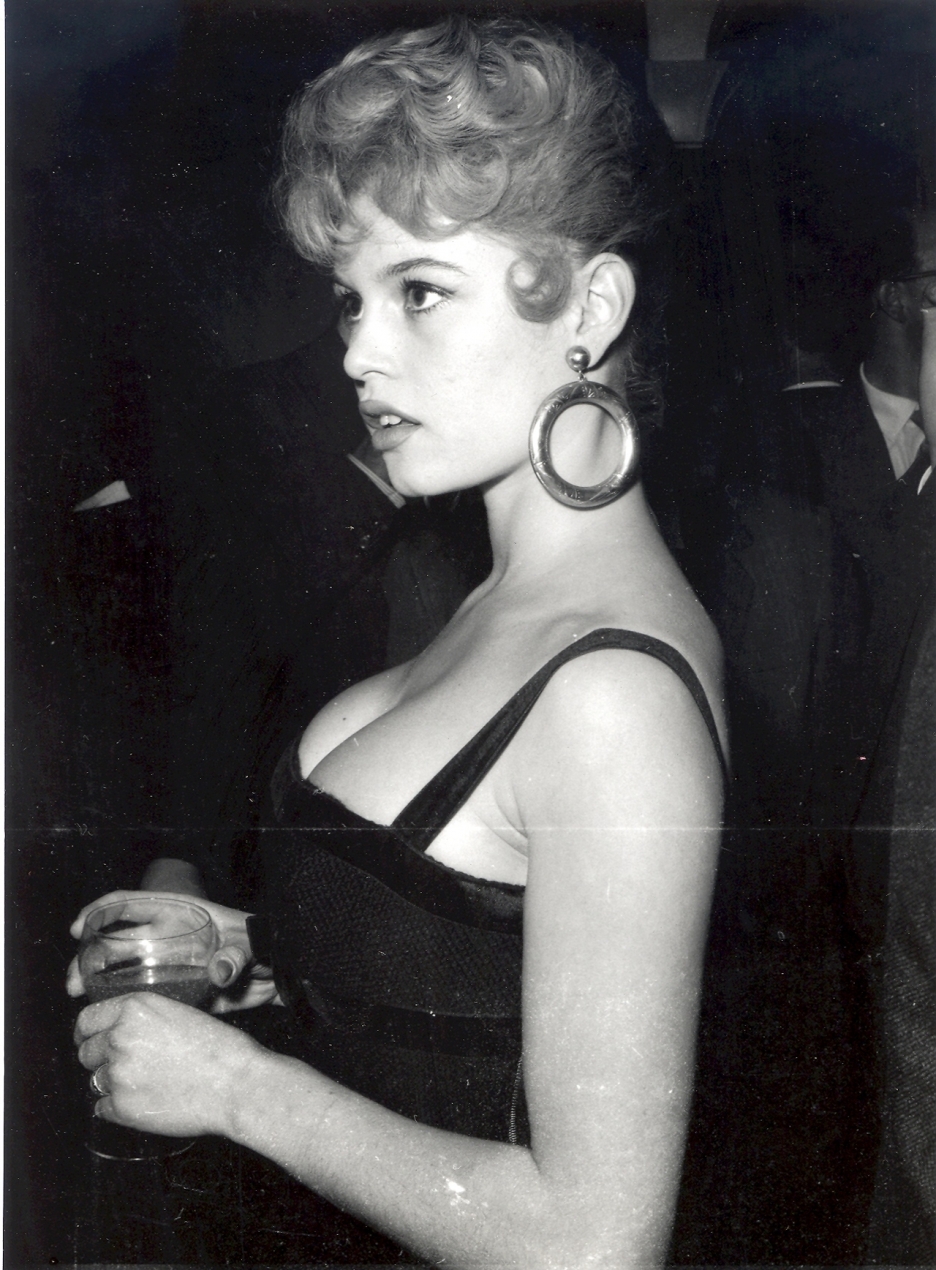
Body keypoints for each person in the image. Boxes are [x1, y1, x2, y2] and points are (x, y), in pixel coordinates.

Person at [68, 18, 726, 1266]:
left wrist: (237, 1089)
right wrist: (260, 950)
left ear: (590, 306)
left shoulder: (610, 695)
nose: (360, 352)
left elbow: (594, 1241)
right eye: (351, 300)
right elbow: (471, 978)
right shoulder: (499, 597)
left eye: (420, 291)